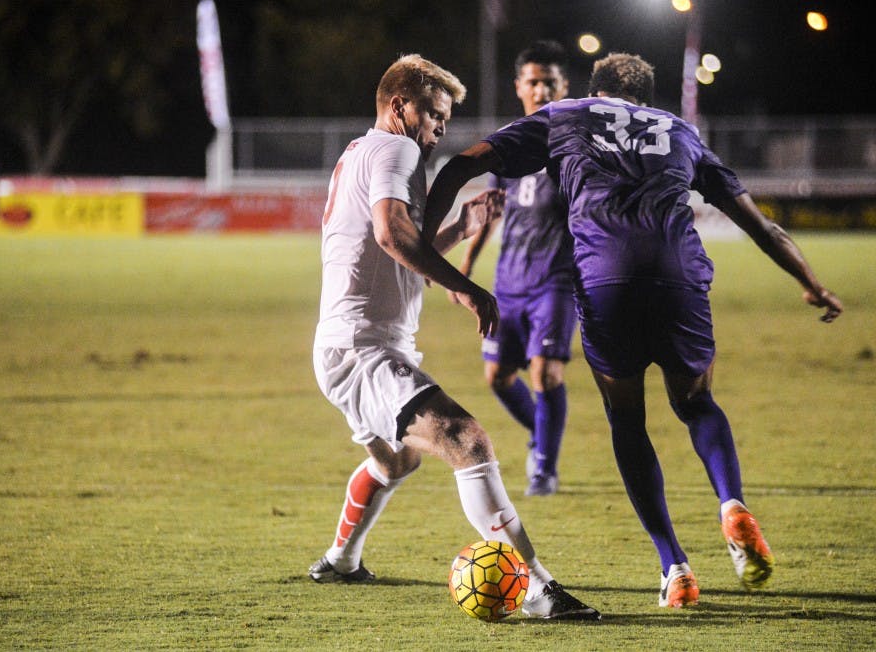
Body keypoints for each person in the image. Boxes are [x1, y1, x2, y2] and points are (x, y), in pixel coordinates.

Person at [424, 53, 843, 609]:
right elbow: (762, 226)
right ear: (647, 96)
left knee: (627, 418)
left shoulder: (565, 116)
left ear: (594, 90)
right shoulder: (682, 132)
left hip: (605, 280)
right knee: (696, 404)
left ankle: (675, 567)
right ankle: (731, 504)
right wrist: (811, 283)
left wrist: (427, 240)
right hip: (680, 279)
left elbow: (464, 164)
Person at [307, 53, 600, 620]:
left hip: (353, 343)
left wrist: (460, 229)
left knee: (397, 464)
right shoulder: (396, 149)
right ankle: (538, 589)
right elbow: (393, 236)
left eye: (445, 117)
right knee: (468, 441)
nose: (440, 128)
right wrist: (467, 287)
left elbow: (393, 249)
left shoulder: (364, 151)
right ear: (399, 107)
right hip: (361, 349)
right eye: (434, 114)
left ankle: (339, 560)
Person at [451, 40, 575, 496]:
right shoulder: (508, 144)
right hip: (510, 281)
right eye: (533, 82)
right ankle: (540, 433)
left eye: (550, 82)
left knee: (545, 373)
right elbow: (492, 208)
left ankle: (544, 466)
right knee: (499, 377)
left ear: (564, 87)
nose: (541, 90)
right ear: (519, 86)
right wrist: (466, 261)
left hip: (557, 280)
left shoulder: (574, 144)